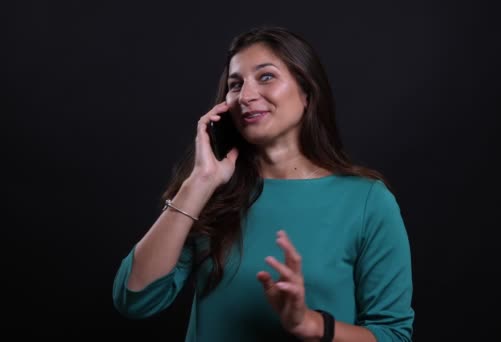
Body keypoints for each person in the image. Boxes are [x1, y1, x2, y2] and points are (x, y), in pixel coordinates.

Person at [112, 26, 415, 341]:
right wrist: (199, 183)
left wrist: (310, 325)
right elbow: (134, 299)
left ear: (307, 93)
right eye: (235, 84)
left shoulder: (367, 201)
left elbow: (393, 334)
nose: (246, 96)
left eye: (266, 77)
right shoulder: (210, 194)